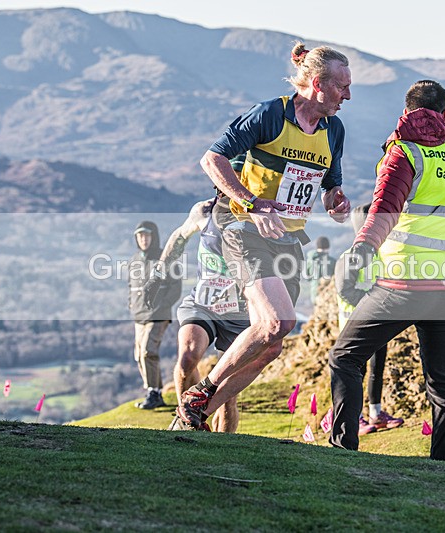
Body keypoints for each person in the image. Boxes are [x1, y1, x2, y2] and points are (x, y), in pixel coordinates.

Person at [177, 42, 352, 430]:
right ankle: (200, 393)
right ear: (318, 84)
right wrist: (252, 203)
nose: (348, 96)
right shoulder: (271, 115)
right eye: (343, 87)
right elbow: (212, 159)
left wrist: (336, 201)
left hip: (288, 238)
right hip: (242, 226)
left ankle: (193, 415)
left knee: (272, 344)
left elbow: (328, 188)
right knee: (277, 321)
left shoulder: (333, 130)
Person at [328, 80, 445, 461]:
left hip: (400, 285)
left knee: (345, 358)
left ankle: (343, 451)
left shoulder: (403, 153)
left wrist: (361, 250)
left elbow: (383, 212)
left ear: (407, 112)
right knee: (442, 381)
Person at [144, 191, 250, 432]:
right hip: (203, 304)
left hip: (239, 314)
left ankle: (222, 451)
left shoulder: (257, 216)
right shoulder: (204, 211)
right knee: (187, 359)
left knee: (226, 394)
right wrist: (158, 275)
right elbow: (179, 236)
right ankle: (187, 421)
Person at [335, 202, 404, 436]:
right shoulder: (351, 257)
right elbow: (345, 289)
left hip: (377, 323)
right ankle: (355, 417)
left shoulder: (381, 257)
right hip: (353, 326)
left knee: (377, 369)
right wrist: (371, 306)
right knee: (356, 372)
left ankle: (376, 412)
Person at [128, 221, 182, 409]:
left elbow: (176, 288)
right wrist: (131, 305)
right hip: (138, 315)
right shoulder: (135, 260)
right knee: (139, 355)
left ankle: (153, 392)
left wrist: (163, 306)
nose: (143, 239)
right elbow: (131, 286)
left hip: (158, 314)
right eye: (140, 236)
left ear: (154, 237)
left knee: (147, 351)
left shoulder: (165, 258)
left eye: (147, 235)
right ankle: (154, 392)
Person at [306, 236, 335, 306]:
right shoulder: (332, 261)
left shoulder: (310, 260)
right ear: (328, 247)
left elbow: (308, 277)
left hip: (314, 293)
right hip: (327, 295)